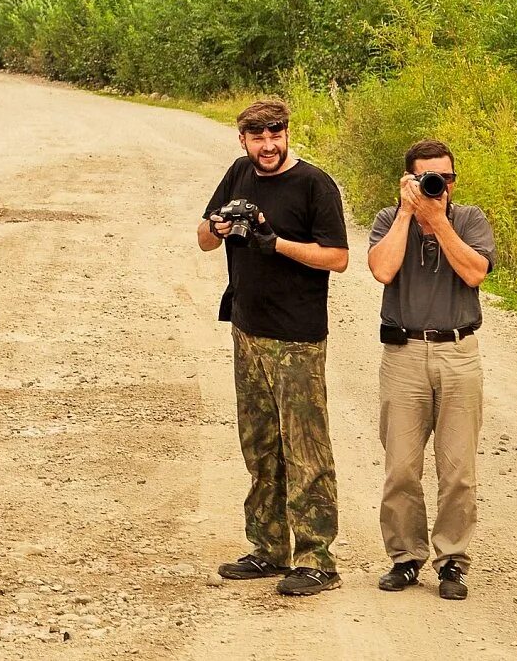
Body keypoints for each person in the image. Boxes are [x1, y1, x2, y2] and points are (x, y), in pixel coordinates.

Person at [199, 100, 351, 598]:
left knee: (305, 450)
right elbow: (203, 239)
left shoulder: (314, 184)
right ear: (242, 139)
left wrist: (276, 242)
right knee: (260, 447)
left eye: (276, 134)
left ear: (287, 133)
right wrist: (218, 226)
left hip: (298, 338)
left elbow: (338, 258)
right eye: (257, 136)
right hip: (247, 329)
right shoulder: (240, 172)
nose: (268, 144)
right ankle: (268, 548)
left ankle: (317, 560)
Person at [365, 138, 495, 602]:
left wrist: (439, 221)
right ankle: (405, 558)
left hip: (459, 352)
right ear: (408, 179)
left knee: (458, 469)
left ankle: (453, 561)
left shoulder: (469, 219)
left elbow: (476, 272)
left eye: (445, 177)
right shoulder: (388, 219)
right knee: (401, 466)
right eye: (426, 178)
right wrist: (406, 213)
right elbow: (381, 270)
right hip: (403, 354)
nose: (439, 185)